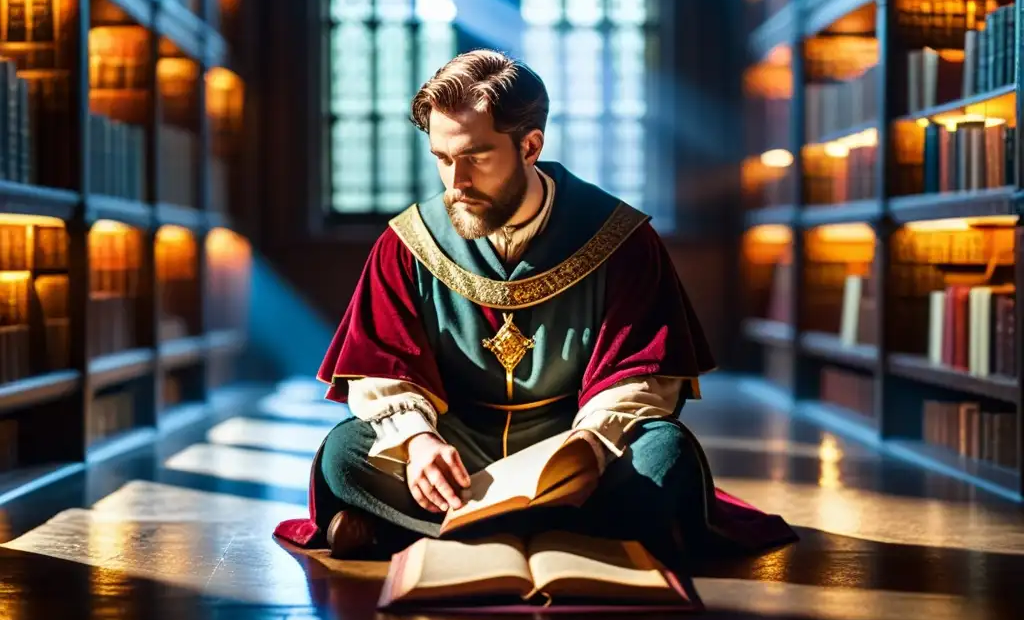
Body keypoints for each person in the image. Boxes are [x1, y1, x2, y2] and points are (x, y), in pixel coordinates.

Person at [274, 49, 796, 563]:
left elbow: (642, 372)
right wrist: (417, 445)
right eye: (442, 158)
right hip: (456, 447)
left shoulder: (619, 239)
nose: (456, 184)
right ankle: (578, 535)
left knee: (667, 455)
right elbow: (383, 365)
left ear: (530, 145)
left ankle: (420, 531)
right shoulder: (407, 243)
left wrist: (590, 447)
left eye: (476, 158)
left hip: (577, 446)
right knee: (345, 454)